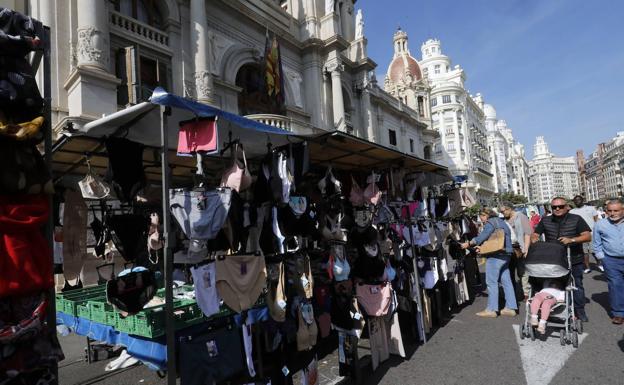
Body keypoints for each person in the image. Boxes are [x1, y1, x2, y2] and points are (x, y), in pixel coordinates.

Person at [531, 197, 592, 322]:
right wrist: (535, 238)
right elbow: (536, 233)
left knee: (576, 285)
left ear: (567, 207)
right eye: (554, 207)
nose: (557, 209)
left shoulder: (576, 219)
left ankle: (579, 311)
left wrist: (572, 240)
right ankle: (549, 309)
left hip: (574, 257)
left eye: (560, 206)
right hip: (553, 260)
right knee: (552, 285)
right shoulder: (546, 220)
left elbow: (587, 236)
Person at [461, 208, 517, 318]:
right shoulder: (502, 222)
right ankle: (510, 308)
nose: (480, 219)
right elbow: (495, 238)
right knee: (506, 281)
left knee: (491, 282)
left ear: (486, 215)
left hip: (496, 255)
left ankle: (492, 309)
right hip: (506, 254)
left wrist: (469, 243)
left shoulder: (491, 222)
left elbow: (483, 236)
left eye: (481, 216)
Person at [592, 199, 624, 325]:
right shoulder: (600, 224)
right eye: (609, 211)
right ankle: (618, 313)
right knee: (615, 286)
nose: (612, 213)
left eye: (616, 210)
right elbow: (596, 243)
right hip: (611, 260)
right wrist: (602, 258)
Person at [500, 202, 533, 300]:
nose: (503, 213)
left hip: (521, 248)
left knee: (522, 272)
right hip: (509, 249)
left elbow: (527, 233)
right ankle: (512, 294)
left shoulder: (521, 217)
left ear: (510, 208)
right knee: (509, 272)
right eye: (501, 212)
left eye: (504, 211)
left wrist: (526, 248)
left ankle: (526, 293)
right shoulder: (504, 219)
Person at [570, 195, 603, 273]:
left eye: (579, 200)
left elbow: (596, 220)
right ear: (574, 202)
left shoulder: (591, 208)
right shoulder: (572, 212)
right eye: (575, 200)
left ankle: (599, 264)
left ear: (582, 200)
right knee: (584, 252)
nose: (577, 201)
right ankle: (587, 267)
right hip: (580, 236)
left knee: (594, 251)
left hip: (592, 234)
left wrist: (598, 231)